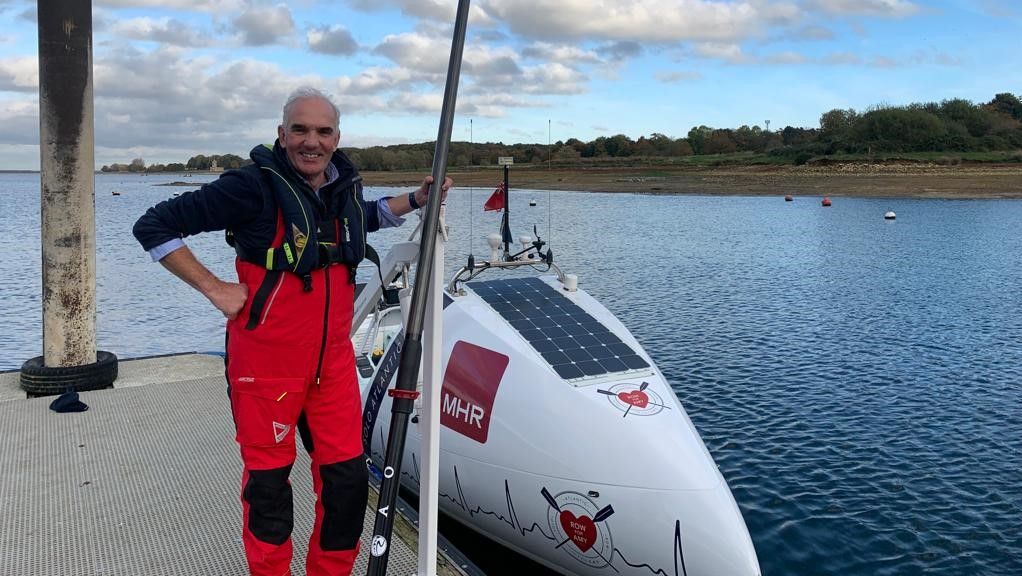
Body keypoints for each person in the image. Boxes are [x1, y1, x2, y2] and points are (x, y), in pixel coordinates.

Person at [133, 86, 451, 576]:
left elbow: (364, 218)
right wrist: (215, 288)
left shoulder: (340, 187)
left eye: (323, 132)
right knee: (270, 491)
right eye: (300, 130)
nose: (312, 141)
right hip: (266, 371)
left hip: (333, 368)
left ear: (336, 138)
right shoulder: (250, 187)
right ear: (282, 135)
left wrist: (416, 199)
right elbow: (154, 225)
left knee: (346, 484)